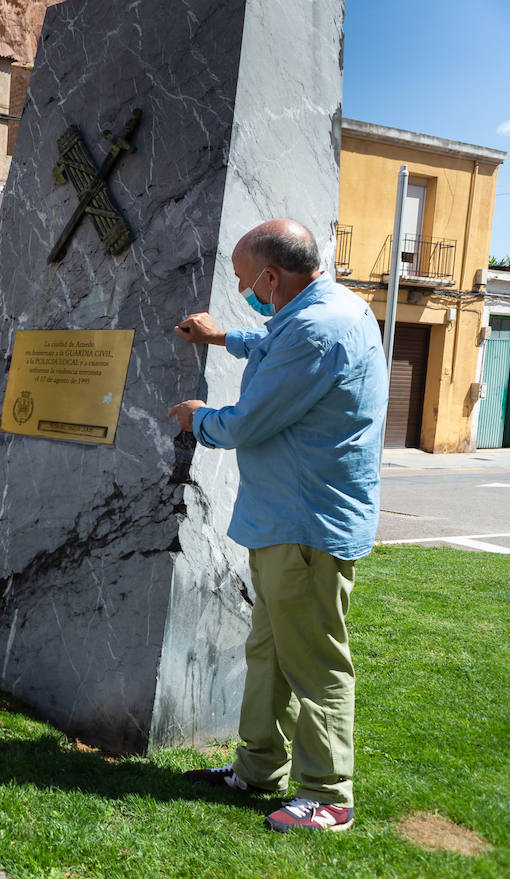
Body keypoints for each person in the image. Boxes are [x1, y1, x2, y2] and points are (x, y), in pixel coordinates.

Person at [168, 218, 386, 833]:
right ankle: (258, 768)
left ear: (271, 275)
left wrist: (197, 419)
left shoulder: (317, 329)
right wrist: (223, 339)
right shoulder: (327, 308)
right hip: (285, 524)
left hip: (305, 526)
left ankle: (328, 795)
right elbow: (273, 340)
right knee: (268, 653)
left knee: (314, 664)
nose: (244, 290)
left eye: (244, 281)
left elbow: (247, 422)